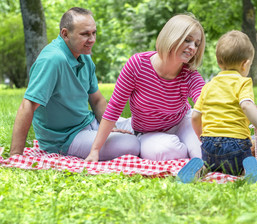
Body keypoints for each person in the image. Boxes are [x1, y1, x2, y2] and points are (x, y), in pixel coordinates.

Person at [10, 7, 140, 160]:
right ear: (65, 34)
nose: (92, 39)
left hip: (89, 123)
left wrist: (112, 129)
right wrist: (16, 155)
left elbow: (97, 100)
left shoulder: (84, 56)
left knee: (143, 122)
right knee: (130, 144)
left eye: (94, 33)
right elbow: (28, 105)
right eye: (85, 34)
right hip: (65, 139)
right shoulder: (52, 60)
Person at [85, 14, 206, 162]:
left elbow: (204, 100)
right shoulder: (138, 64)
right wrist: (95, 150)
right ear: (171, 36)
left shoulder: (190, 74)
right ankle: (189, 153)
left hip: (182, 122)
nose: (192, 47)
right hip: (148, 132)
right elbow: (114, 108)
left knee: (202, 149)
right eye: (187, 40)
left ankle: (199, 161)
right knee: (167, 151)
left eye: (197, 43)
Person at [177, 30, 257, 184]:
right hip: (236, 146)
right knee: (245, 159)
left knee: (210, 164)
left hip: (209, 146)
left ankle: (200, 168)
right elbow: (247, 105)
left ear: (219, 62)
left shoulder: (208, 86)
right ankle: (247, 168)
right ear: (245, 64)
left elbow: (195, 115)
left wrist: (201, 136)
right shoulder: (243, 82)